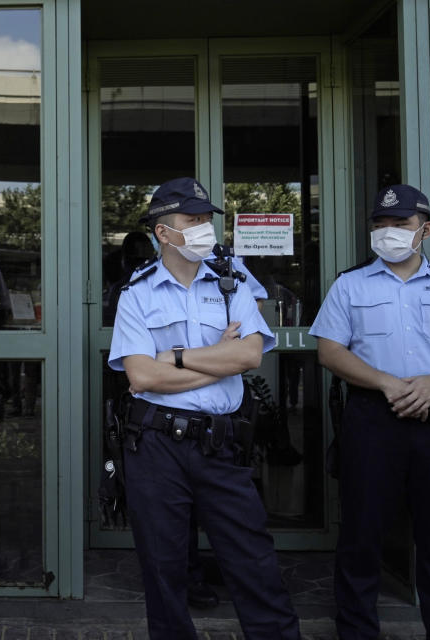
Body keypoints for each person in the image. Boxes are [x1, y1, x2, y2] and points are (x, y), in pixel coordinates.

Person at [108, 177, 299, 639]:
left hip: (221, 442)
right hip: (155, 445)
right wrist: (219, 361)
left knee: (254, 561)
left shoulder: (232, 283)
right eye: (191, 221)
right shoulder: (137, 292)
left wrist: (173, 357)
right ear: (163, 233)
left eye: (205, 220)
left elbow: (250, 356)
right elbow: (141, 377)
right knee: (164, 569)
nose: (203, 230)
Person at [310, 184, 430, 639]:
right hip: (374, 419)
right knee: (362, 533)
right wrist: (387, 383)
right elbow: (330, 351)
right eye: (380, 224)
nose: (388, 232)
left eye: (401, 224)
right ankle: (356, 630)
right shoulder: (349, 283)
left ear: (425, 230)